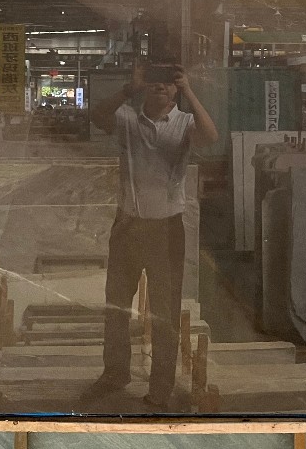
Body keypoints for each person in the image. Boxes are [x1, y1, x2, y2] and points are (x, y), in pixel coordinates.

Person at [80, 62, 219, 408]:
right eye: (154, 80)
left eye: (168, 81)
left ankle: (161, 386)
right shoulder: (128, 118)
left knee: (164, 313)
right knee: (116, 306)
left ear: (176, 88)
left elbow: (210, 137)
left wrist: (189, 91)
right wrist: (131, 87)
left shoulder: (184, 122)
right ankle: (115, 374)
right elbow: (97, 116)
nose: (160, 86)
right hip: (127, 226)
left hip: (167, 229)